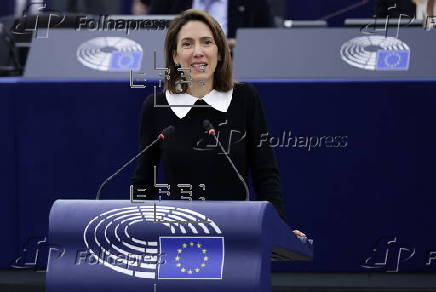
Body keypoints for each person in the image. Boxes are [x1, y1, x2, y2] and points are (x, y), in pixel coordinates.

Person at [131, 9, 305, 237]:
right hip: (179, 236)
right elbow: (144, 181)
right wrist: (132, 229)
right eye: (187, 44)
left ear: (220, 52)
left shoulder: (245, 98)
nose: (198, 52)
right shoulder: (156, 106)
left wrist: (279, 229)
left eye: (207, 42)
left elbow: (265, 174)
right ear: (174, 56)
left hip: (238, 235)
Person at [147, 0, 275, 49]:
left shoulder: (255, 3)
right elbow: (148, 38)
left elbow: (269, 43)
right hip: (180, 72)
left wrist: (240, 45)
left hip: (236, 73)